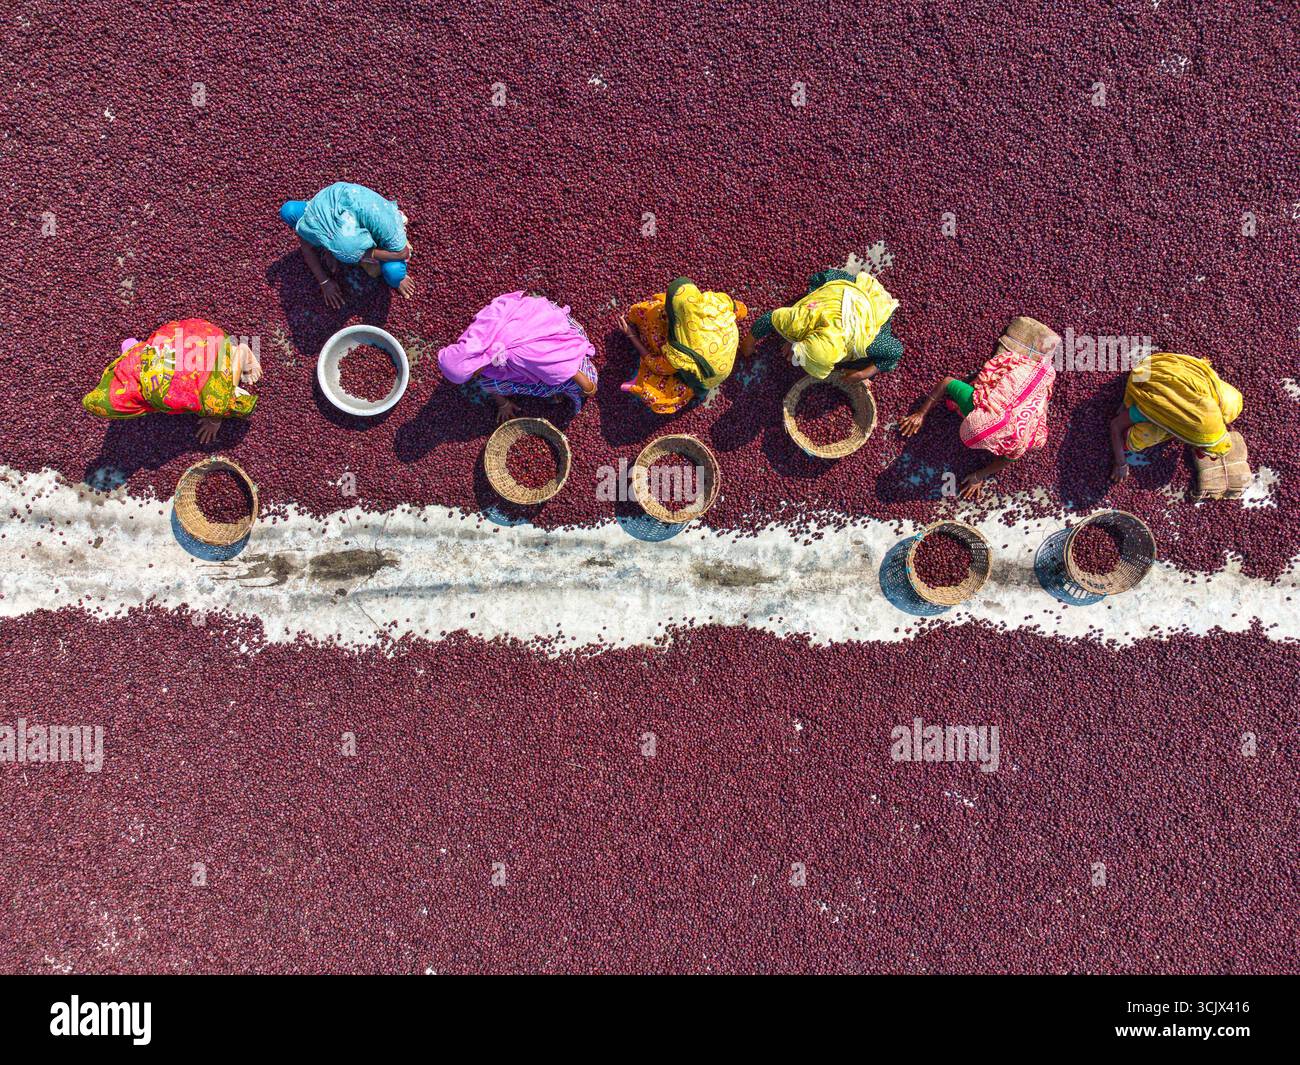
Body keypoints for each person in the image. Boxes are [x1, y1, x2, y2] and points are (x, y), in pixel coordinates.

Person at [899, 316, 1059, 499]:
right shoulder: (975, 405)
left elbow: (1009, 458)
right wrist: (921, 413)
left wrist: (978, 476)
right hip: (1013, 391)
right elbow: (947, 382)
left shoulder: (1021, 440)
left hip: (1029, 387)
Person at [82, 319, 260, 443]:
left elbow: (209, 403)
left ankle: (240, 352)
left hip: (214, 346)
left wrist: (214, 421)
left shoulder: (161, 397)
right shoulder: (128, 361)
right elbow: (128, 343)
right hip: (193, 334)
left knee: (218, 403)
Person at [437, 292, 597, 423]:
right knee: (487, 381)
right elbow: (500, 306)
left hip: (557, 331)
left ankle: (568, 383)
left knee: (579, 382)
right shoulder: (473, 340)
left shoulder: (516, 355)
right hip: (536, 314)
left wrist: (588, 388)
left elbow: (562, 367)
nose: (475, 376)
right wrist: (503, 403)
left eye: (472, 374)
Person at [619, 277, 749, 414]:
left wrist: (631, 335)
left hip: (707, 377)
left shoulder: (680, 356)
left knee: (654, 396)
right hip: (722, 350)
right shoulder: (713, 302)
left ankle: (695, 391)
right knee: (661, 310)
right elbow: (742, 309)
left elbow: (656, 366)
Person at [1108, 351, 1244, 482]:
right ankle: (1134, 399)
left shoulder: (1207, 411)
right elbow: (1115, 426)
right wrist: (1121, 464)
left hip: (1178, 369)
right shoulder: (1160, 408)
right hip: (1146, 372)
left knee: (1231, 404)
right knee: (1142, 438)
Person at [750, 268, 903, 383]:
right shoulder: (800, 319)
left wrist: (863, 374)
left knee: (864, 362)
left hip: (868, 307)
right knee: (817, 287)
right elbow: (769, 318)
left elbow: (896, 350)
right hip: (841, 292)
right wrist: (791, 338)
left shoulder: (865, 343)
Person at [279, 182, 415, 307]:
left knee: (394, 273)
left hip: (380, 225)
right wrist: (324, 281)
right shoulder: (320, 207)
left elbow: (403, 253)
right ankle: (340, 248)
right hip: (338, 212)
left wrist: (374, 254)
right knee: (288, 211)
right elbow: (307, 246)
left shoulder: (387, 227)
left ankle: (398, 276)